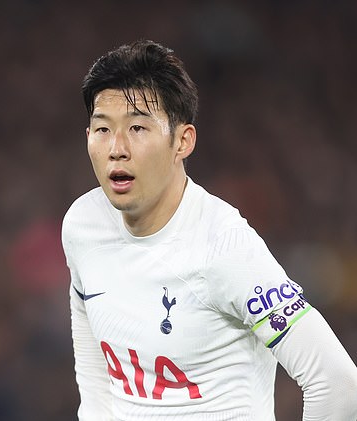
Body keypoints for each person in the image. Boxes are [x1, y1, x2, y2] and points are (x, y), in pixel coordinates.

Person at [61, 39, 357, 420]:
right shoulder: (83, 225)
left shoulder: (225, 247)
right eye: (102, 129)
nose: (116, 148)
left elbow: (337, 382)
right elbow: (92, 353)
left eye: (137, 127)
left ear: (182, 141)